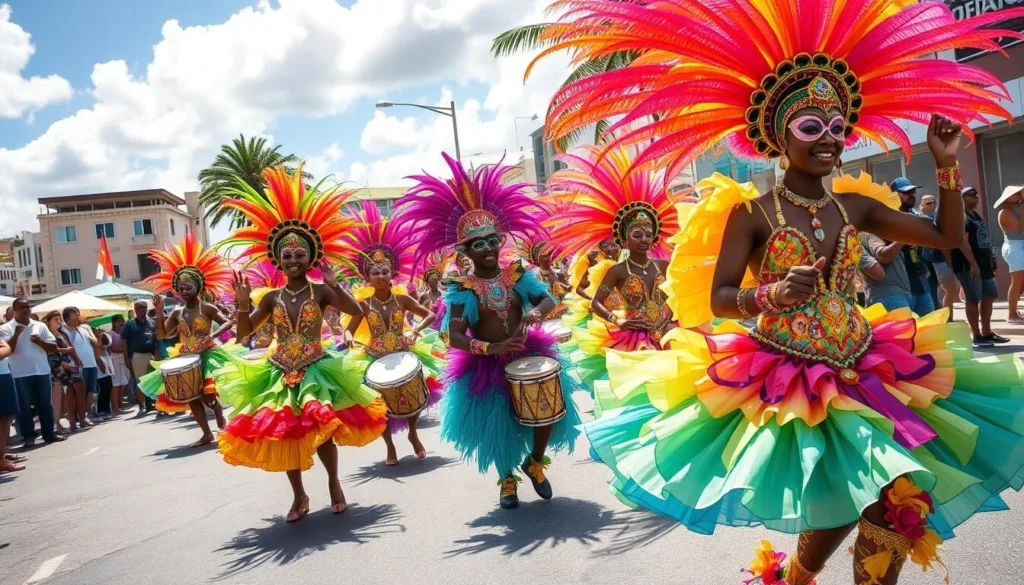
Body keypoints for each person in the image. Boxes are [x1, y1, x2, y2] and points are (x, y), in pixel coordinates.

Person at [532, 1, 1024, 582]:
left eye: (838, 128)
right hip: (789, 373)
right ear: (776, 136)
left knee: (893, 500)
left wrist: (945, 167)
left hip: (867, 361)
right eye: (811, 127)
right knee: (840, 502)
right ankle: (796, 576)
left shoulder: (857, 205)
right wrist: (770, 297)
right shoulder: (751, 215)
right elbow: (720, 298)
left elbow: (944, 235)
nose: (829, 140)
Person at [394, 153, 581, 509]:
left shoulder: (516, 275)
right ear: (466, 250)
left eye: (493, 240)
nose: (489, 248)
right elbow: (454, 336)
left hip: (527, 354)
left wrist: (534, 316)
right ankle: (506, 479)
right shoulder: (461, 289)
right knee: (499, 425)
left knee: (547, 411)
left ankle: (536, 463)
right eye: (479, 243)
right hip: (486, 363)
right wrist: (487, 349)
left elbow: (546, 301)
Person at [218, 164, 387, 522]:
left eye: (299, 255)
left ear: (309, 258)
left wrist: (336, 283)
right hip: (279, 371)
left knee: (322, 430)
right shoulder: (270, 297)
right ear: (277, 260)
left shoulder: (322, 290)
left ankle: (334, 484)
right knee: (285, 436)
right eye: (287, 255)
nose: (293, 260)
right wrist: (244, 303)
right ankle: (298, 496)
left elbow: (357, 310)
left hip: (316, 369)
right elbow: (243, 335)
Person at [541, 145, 679, 398]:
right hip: (634, 338)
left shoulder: (663, 265)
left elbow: (678, 294)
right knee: (642, 394)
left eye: (648, 234)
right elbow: (595, 303)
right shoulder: (617, 271)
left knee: (672, 391)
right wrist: (618, 320)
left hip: (669, 333)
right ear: (625, 238)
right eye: (637, 234)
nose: (644, 239)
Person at [340, 201, 445, 466]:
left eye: (384, 271)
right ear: (368, 276)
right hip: (374, 356)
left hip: (403, 352)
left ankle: (412, 433)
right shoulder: (363, 304)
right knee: (381, 405)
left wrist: (417, 330)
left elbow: (429, 315)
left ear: (392, 273)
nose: (380, 276)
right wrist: (350, 339)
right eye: (375, 272)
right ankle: (389, 446)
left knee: (415, 395)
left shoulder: (402, 299)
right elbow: (348, 330)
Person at [137, 234, 236, 447]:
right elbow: (163, 335)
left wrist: (212, 336)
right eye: (181, 288)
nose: (183, 290)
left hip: (207, 354)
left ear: (198, 287)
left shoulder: (207, 308)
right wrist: (161, 312)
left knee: (208, 395)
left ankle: (217, 410)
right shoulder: (178, 312)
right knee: (191, 396)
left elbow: (228, 322)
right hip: (186, 356)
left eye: (188, 286)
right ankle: (207, 433)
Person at [0, 297, 65, 448]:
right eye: (22, 307)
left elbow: (54, 347)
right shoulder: (5, 329)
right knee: (24, 407)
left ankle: (49, 433)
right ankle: (29, 436)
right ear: (14, 310)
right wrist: (16, 334)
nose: (26, 310)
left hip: (41, 370)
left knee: (45, 404)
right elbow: (7, 350)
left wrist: (40, 342)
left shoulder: (40, 326)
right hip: (19, 373)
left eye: (28, 307)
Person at [954, 186, 1009, 348]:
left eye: (976, 195)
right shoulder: (962, 218)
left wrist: (991, 258)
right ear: (962, 198)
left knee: (989, 296)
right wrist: (972, 263)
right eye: (972, 195)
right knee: (973, 299)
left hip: (984, 265)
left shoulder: (976, 216)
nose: (976, 197)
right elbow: (962, 243)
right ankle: (976, 335)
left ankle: (987, 332)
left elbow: (983, 238)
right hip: (969, 266)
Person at [60, 307, 105, 424]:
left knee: (91, 391)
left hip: (91, 364)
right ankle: (76, 418)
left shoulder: (83, 329)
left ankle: (86, 415)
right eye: (75, 316)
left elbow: (94, 346)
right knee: (78, 393)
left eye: (78, 315)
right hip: (79, 366)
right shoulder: (65, 331)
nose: (78, 318)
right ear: (67, 319)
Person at [43, 311, 77, 433]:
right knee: (56, 399)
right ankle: (56, 425)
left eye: (59, 319)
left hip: (64, 368)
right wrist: (63, 364)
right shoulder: (47, 334)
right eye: (55, 319)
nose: (58, 321)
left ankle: (58, 423)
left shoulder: (59, 333)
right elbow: (51, 353)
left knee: (62, 397)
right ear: (48, 322)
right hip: (55, 369)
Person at [995, 185, 1024, 324]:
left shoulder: (1013, 210)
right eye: (1017, 194)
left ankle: (1015, 311)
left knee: (1020, 282)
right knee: (1017, 282)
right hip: (1014, 247)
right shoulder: (1005, 212)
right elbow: (1018, 229)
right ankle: (1011, 314)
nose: (1020, 195)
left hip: (1019, 246)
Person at [122, 300, 156, 415]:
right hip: (138, 356)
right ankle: (141, 406)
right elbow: (124, 341)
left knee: (152, 381)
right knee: (140, 382)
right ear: (135, 310)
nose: (141, 310)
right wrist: (126, 358)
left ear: (147, 308)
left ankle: (150, 404)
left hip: (151, 355)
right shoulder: (130, 324)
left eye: (143, 307)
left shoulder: (151, 322)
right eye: (138, 308)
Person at [0, 338, 25, 472]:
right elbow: (5, 350)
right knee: (4, 418)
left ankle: (2, 455)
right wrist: (6, 348)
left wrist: (6, 348)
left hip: (4, 374)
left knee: (6, 417)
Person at [107, 315, 131, 414]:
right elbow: (112, 349)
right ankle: (115, 407)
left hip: (123, 359)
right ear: (114, 323)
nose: (121, 323)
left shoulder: (125, 333)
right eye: (118, 321)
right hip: (115, 360)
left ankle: (119, 404)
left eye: (122, 321)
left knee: (123, 382)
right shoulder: (109, 334)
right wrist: (125, 350)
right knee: (116, 384)